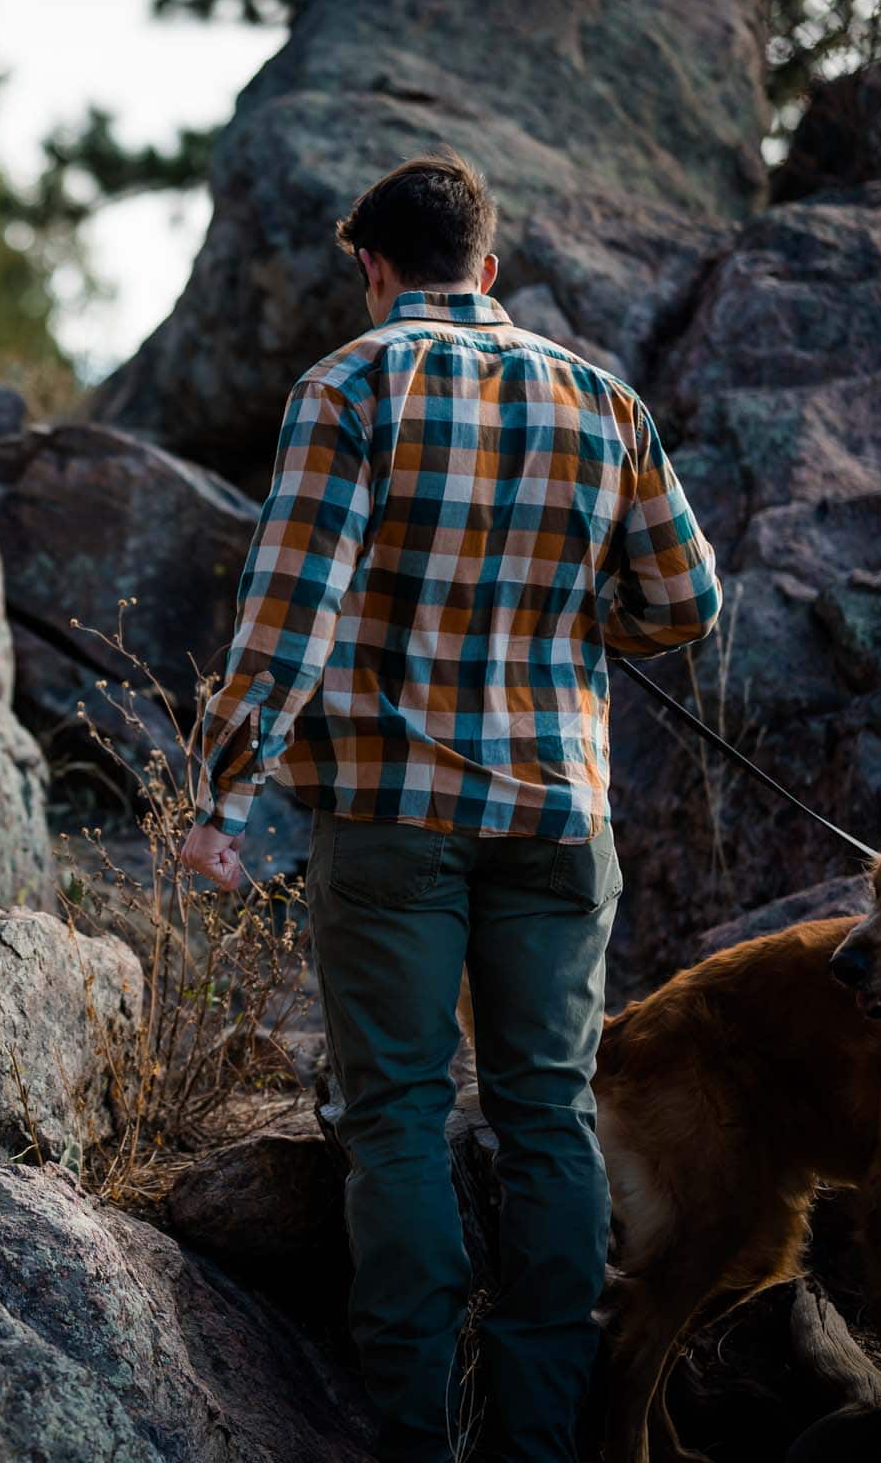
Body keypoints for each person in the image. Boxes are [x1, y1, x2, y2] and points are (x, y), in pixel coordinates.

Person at [178, 152, 721, 1462]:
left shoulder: (353, 384)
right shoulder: (603, 400)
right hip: (555, 817)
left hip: (389, 813)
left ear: (372, 266)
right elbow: (687, 600)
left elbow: (292, 613)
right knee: (545, 1107)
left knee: (400, 1116)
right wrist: (564, 619)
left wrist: (224, 790)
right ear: (489, 267)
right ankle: (542, 1438)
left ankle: (414, 1430)